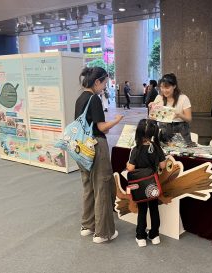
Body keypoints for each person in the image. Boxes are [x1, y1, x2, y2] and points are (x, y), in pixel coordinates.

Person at [75, 67, 124, 243]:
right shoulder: (94, 99)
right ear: (97, 82)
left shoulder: (80, 98)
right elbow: (101, 127)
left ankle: (87, 225)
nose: (104, 87)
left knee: (88, 186)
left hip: (81, 146)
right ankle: (103, 233)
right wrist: (116, 121)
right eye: (104, 83)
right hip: (96, 146)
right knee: (102, 186)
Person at [126, 119, 166, 247]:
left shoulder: (136, 149)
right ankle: (155, 235)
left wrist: (127, 164)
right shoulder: (156, 147)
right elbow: (163, 165)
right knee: (154, 209)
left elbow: (131, 168)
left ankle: (141, 236)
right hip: (152, 184)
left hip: (140, 186)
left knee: (142, 210)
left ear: (138, 132)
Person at [150, 73, 195, 146]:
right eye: (161, 87)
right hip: (164, 131)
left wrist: (179, 115)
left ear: (174, 86)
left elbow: (189, 119)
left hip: (181, 131)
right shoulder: (159, 98)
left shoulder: (183, 98)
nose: (164, 90)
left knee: (180, 154)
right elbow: (153, 118)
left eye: (167, 87)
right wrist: (151, 110)